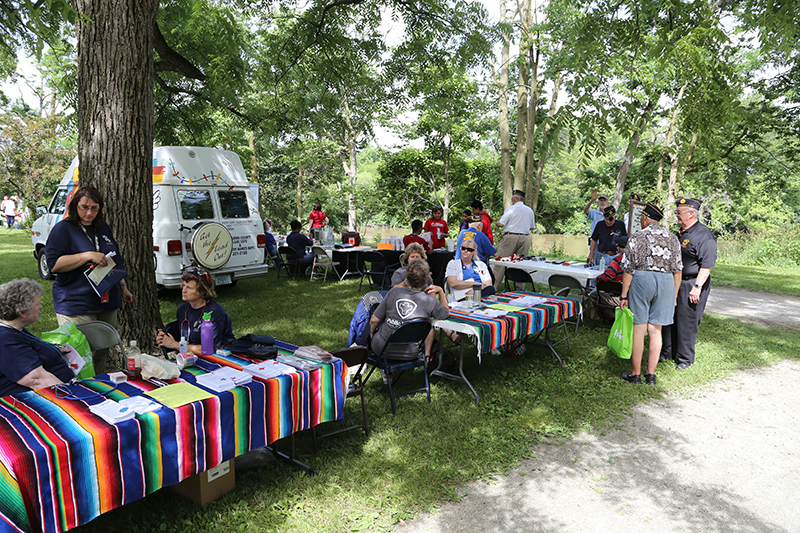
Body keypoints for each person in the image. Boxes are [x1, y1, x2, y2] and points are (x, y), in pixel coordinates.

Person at [45, 186, 133, 374]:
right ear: (75, 205)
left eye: (94, 208)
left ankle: (99, 387)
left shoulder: (102, 228)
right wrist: (86, 256)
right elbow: (54, 265)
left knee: (102, 350)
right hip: (76, 302)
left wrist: (123, 287)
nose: (89, 212)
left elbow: (113, 259)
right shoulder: (63, 229)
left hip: (107, 300)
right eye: (84, 207)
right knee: (79, 354)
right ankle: (80, 389)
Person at [618, 203, 682, 385]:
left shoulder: (636, 237)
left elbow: (628, 269)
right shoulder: (673, 239)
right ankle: (651, 374)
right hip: (666, 283)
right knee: (656, 331)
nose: (640, 220)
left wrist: (623, 296)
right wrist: (674, 295)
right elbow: (678, 270)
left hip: (642, 280)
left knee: (639, 328)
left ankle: (635, 374)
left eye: (641, 217)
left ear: (645, 218)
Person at [660, 197, 717, 370]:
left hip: (691, 283)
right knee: (670, 318)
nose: (676, 215)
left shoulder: (704, 235)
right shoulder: (681, 233)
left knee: (687, 321)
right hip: (675, 281)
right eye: (676, 212)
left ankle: (685, 359)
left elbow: (706, 266)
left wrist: (697, 288)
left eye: (679, 212)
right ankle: (667, 352)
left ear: (691, 213)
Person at [0, 278, 74, 397]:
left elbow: (27, 349)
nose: (41, 306)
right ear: (22, 312)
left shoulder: (14, 327)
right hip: (33, 400)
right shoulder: (5, 340)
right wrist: (75, 398)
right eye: (37, 304)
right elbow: (37, 379)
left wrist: (53, 350)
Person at [369, 259, 450, 363]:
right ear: (426, 281)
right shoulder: (430, 301)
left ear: (406, 278)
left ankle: (388, 375)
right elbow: (445, 313)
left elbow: (374, 320)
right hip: (409, 352)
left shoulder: (393, 292)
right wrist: (441, 292)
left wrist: (372, 334)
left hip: (381, 348)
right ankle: (427, 357)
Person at [157, 268, 235, 355]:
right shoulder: (182, 310)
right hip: (191, 356)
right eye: (184, 286)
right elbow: (184, 338)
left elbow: (210, 348)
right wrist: (163, 338)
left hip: (219, 357)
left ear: (202, 292)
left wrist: (175, 345)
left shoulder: (215, 312)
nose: (183, 290)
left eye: (189, 288)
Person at [493, 189, 536, 291]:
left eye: (512, 199)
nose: (512, 201)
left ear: (515, 199)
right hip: (524, 238)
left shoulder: (510, 209)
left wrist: (496, 222)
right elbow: (532, 227)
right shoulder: (529, 210)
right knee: (521, 264)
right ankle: (520, 289)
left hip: (510, 237)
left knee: (500, 262)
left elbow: (501, 224)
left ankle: (493, 287)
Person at [446, 236, 496, 302]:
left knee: (490, 289)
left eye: (469, 249)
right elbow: (453, 283)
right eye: (463, 248)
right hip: (463, 296)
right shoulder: (453, 264)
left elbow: (488, 283)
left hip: (480, 293)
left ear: (474, 252)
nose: (465, 251)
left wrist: (475, 291)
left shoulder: (481, 265)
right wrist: (475, 285)